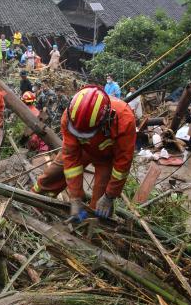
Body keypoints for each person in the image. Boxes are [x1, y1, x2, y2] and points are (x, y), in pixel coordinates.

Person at [33, 86, 136, 220]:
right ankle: (35, 202)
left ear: (106, 120)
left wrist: (109, 196)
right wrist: (75, 197)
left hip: (105, 158)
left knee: (100, 207)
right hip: (80, 149)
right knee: (53, 174)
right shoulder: (71, 116)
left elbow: (122, 165)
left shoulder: (124, 120)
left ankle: (89, 226)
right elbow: (70, 157)